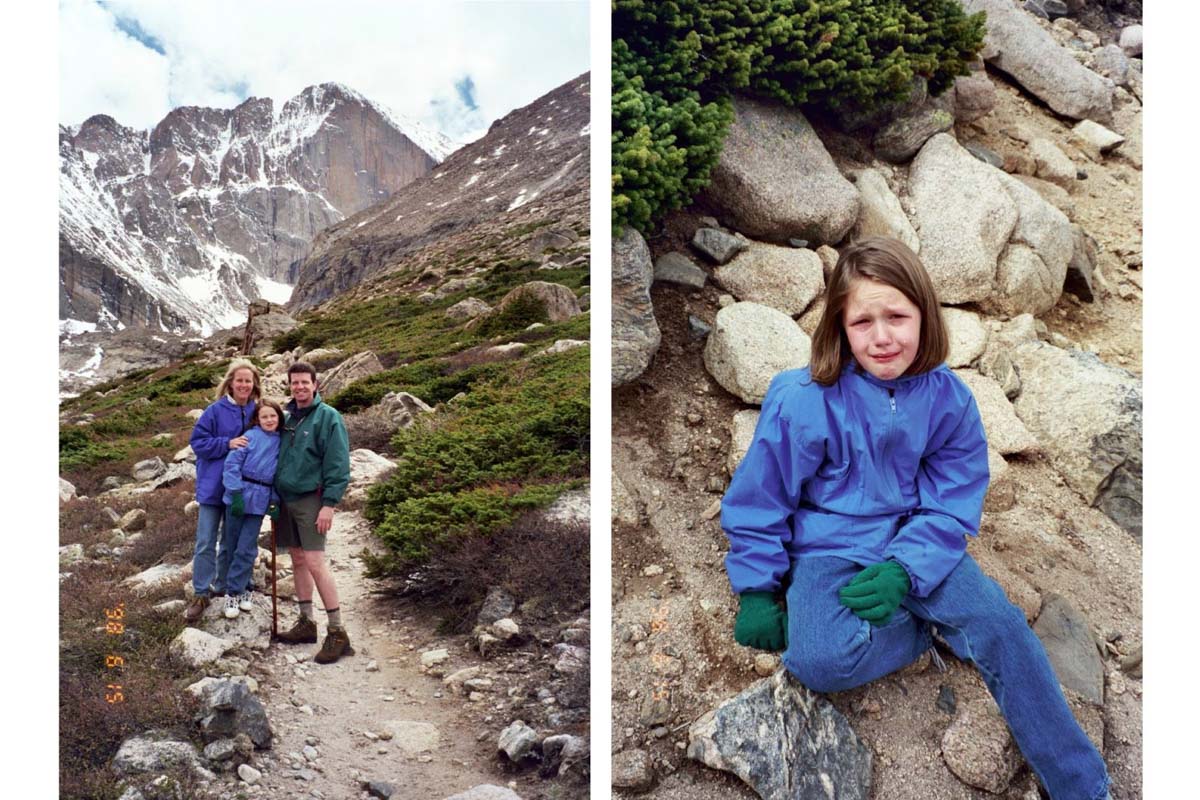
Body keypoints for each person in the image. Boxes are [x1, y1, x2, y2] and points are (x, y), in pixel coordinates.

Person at [721, 237, 1110, 800]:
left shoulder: (949, 399)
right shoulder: (802, 397)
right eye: (863, 322)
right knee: (816, 661)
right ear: (839, 326)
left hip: (919, 542)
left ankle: (1082, 784)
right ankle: (924, 633)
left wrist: (907, 568)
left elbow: (953, 500)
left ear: (926, 315)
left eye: (898, 316)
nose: (882, 337)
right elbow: (762, 497)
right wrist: (757, 587)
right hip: (827, 548)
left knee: (1001, 627)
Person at [272, 361, 353, 663]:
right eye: (295, 383)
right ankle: (307, 623)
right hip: (285, 500)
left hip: (312, 499)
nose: (300, 387)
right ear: (289, 385)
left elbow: (337, 464)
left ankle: (338, 632)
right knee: (297, 559)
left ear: (315, 384)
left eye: (305, 382)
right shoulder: (287, 417)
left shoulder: (328, 418)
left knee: (316, 561)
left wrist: (329, 504)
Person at [185, 359, 260, 623]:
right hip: (212, 488)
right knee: (206, 541)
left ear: (254, 385)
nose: (243, 385)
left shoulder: (256, 411)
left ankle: (229, 586)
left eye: (248, 381)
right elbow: (198, 442)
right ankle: (201, 593)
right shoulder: (215, 411)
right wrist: (227, 443)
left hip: (240, 490)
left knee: (233, 541)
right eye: (239, 380)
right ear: (230, 383)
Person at [219, 399, 284, 619]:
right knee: (233, 544)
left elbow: (278, 474)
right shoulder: (249, 438)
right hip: (238, 496)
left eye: (273, 416)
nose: (269, 420)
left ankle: (233, 591)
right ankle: (243, 587)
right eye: (264, 416)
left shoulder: (281, 442)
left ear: (279, 418)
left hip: (260, 498)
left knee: (246, 546)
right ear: (257, 419)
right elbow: (232, 464)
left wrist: (274, 500)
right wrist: (235, 492)